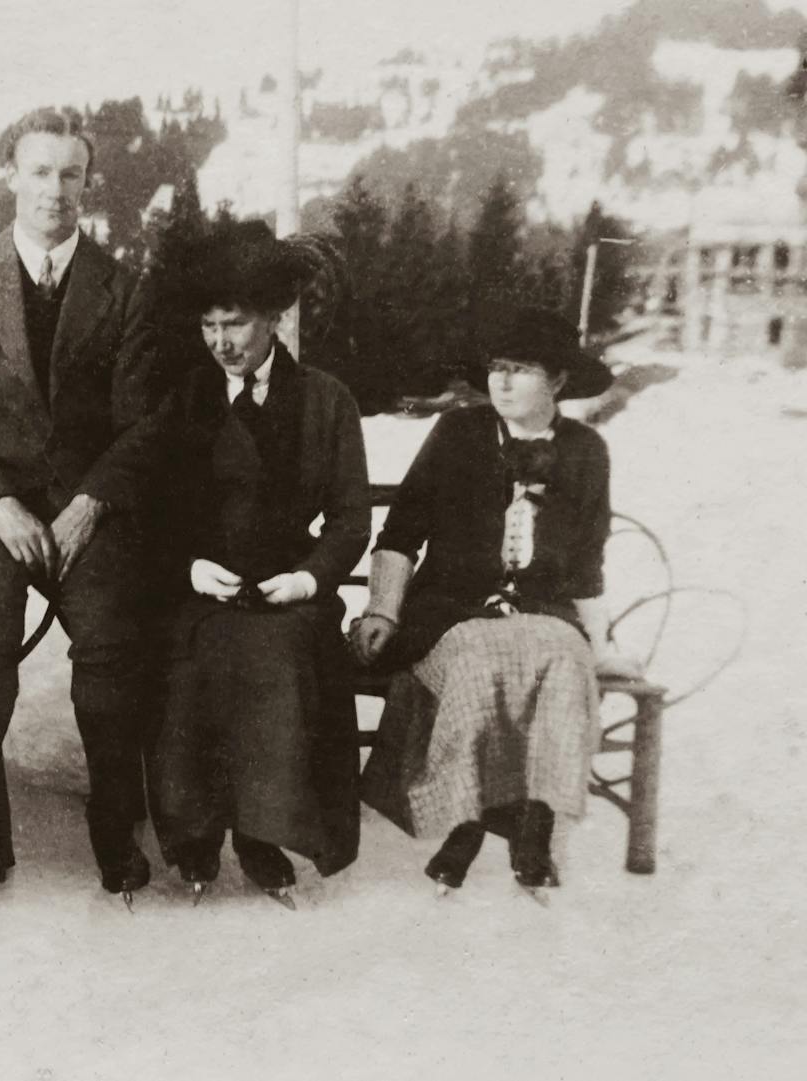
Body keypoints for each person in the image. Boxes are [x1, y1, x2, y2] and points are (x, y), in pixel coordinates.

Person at [0, 107, 161, 899]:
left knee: (112, 651)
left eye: (71, 174)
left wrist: (91, 503)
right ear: (11, 178)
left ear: (89, 183)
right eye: (41, 172)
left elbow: (145, 422)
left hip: (91, 510)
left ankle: (115, 828)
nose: (55, 190)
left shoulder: (127, 291)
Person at [349, 304, 640, 895]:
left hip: (545, 616)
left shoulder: (585, 451)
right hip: (450, 614)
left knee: (563, 659)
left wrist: (601, 645)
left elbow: (586, 565)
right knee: (484, 660)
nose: (502, 382)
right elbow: (402, 532)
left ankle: (536, 824)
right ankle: (469, 821)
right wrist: (382, 608)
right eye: (496, 368)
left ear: (557, 379)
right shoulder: (459, 433)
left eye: (522, 369)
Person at [149, 223, 371, 904]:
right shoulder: (185, 399)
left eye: (236, 324)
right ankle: (195, 838)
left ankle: (261, 834)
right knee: (196, 654)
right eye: (210, 325)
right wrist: (187, 567)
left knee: (282, 653)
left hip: (289, 590)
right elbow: (152, 512)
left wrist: (307, 577)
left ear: (274, 319)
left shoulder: (327, 401)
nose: (222, 341)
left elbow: (349, 517)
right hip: (202, 588)